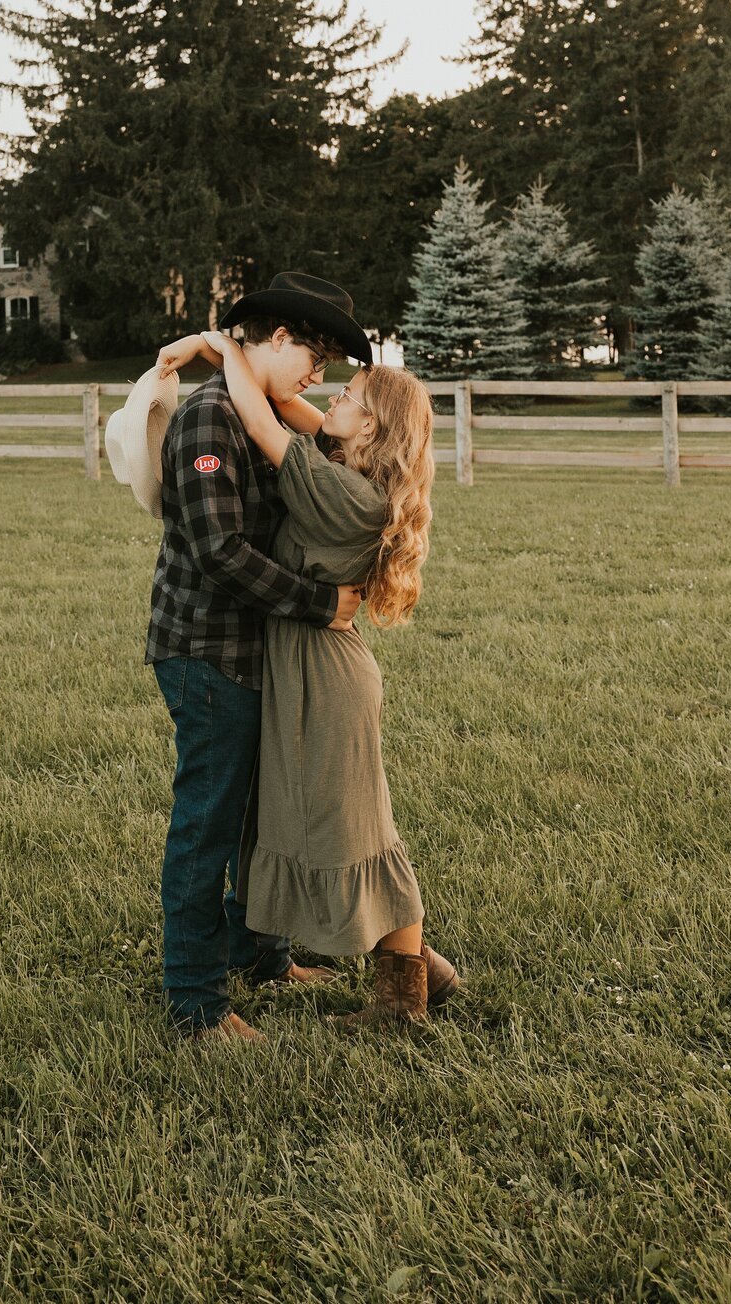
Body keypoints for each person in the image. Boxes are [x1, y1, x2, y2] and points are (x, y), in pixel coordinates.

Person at [155, 325, 459, 1033]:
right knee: (321, 824)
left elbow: (265, 419)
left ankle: (407, 995)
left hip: (325, 677)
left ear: (373, 425)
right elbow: (304, 417)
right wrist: (256, 366)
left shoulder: (342, 492)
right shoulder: (353, 472)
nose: (329, 394)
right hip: (309, 665)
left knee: (358, 834)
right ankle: (415, 972)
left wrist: (226, 350)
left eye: (347, 393)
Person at [145, 273, 372, 1041]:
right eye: (317, 355)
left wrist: (217, 346)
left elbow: (340, 448)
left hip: (259, 650)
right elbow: (218, 553)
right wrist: (320, 606)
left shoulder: (264, 413)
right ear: (277, 338)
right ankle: (196, 1002)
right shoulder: (210, 420)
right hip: (208, 651)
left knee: (262, 810)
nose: (321, 374)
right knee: (209, 823)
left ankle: (261, 954)